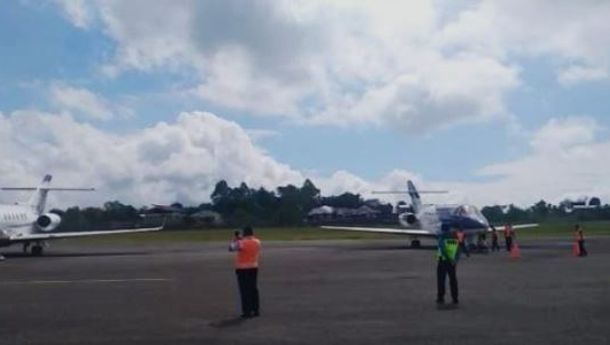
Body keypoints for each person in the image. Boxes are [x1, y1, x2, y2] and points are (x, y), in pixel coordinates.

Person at [229, 226, 261, 318]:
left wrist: (236, 239)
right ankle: (256, 310)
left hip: (242, 268)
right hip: (254, 267)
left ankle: (247, 311)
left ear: (244, 233)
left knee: (244, 290)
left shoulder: (241, 242)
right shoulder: (257, 242)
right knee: (253, 289)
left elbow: (231, 248)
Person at [436, 223, 460, 305]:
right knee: (453, 280)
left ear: (443, 229)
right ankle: (455, 298)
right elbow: (458, 250)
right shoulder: (455, 237)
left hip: (443, 260)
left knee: (441, 280)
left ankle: (440, 297)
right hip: (452, 262)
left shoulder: (442, 237)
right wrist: (455, 260)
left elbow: (443, 249)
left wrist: (449, 258)